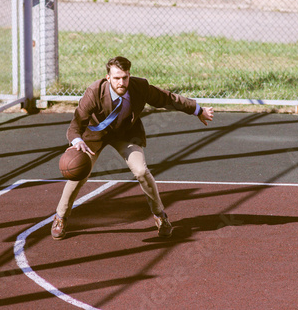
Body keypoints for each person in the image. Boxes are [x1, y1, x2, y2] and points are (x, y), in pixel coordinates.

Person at [51, 56, 214, 240]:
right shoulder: (94, 92)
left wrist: (198, 110)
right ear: (108, 77)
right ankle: (61, 217)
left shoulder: (139, 87)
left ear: (129, 75)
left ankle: (160, 216)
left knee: (141, 171)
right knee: (79, 172)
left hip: (126, 134)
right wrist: (77, 141)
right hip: (94, 135)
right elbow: (75, 124)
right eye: (117, 78)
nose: (122, 82)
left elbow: (167, 98)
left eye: (125, 77)